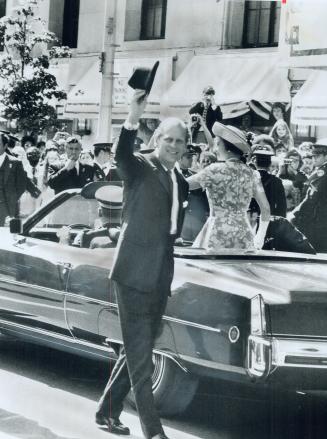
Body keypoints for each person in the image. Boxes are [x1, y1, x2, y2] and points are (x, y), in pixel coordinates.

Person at [96, 89, 189, 439]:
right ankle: (153, 431)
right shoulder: (140, 167)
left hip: (159, 278)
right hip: (133, 274)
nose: (174, 146)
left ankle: (105, 411)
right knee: (140, 358)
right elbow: (122, 154)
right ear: (156, 140)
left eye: (180, 141)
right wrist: (132, 115)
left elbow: (171, 231)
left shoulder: (179, 180)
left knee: (142, 348)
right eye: (169, 139)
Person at [187, 122, 270, 251]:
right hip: (243, 235)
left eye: (217, 143)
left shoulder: (214, 170)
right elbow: (265, 208)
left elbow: (184, 185)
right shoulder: (252, 174)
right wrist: (260, 237)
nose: (215, 147)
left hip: (216, 233)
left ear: (226, 147)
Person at [291, 139, 327, 252]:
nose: (314, 158)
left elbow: (311, 199)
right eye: (313, 156)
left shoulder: (322, 173)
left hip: (319, 223)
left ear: (326, 156)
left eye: (318, 156)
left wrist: (294, 214)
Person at [179, 144, 209, 242]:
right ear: (179, 157)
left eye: (192, 156)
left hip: (198, 220)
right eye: (188, 157)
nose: (192, 159)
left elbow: (204, 199)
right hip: (183, 221)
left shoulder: (196, 176)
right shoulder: (175, 175)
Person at [250, 144, 287, 217]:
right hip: (268, 220)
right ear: (270, 163)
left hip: (250, 220)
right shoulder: (277, 181)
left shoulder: (248, 178)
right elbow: (282, 207)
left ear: (255, 162)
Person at [0, 132, 29, 225]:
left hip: (8, 210)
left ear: (5, 146)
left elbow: (21, 185)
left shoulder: (15, 163)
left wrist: (12, 198)